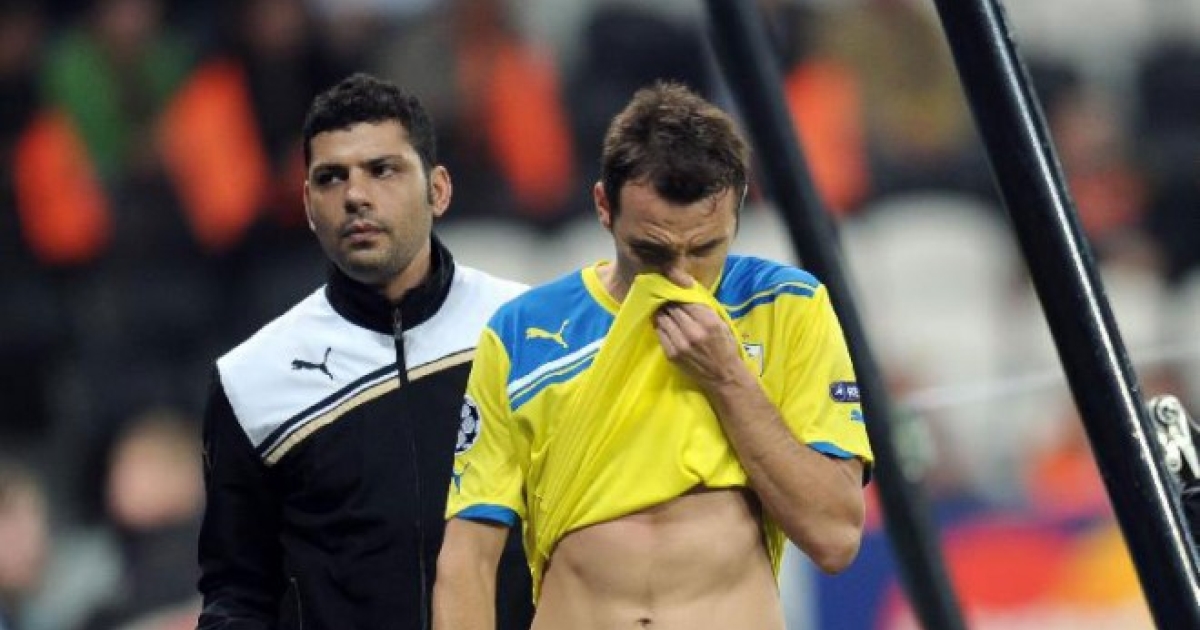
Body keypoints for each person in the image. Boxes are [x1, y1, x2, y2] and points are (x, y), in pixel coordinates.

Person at [434, 82, 874, 630]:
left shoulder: (786, 306)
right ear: (604, 207)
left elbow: (835, 537)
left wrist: (728, 377)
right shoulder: (523, 332)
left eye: (705, 248)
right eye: (651, 251)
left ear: (738, 207)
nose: (681, 277)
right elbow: (468, 559)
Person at [197, 73, 533, 630]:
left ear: (439, 190)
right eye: (331, 178)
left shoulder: (526, 331)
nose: (355, 195)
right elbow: (238, 594)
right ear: (308, 205)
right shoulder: (250, 382)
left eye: (382, 169)